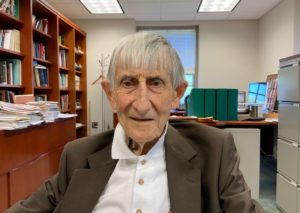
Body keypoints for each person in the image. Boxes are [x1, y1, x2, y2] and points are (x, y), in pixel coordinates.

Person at [6, 32, 264, 213]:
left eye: (155, 83)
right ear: (111, 94)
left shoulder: (214, 151)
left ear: (176, 94)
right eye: (128, 83)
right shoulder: (78, 155)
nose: (141, 104)